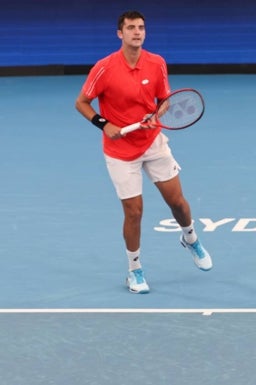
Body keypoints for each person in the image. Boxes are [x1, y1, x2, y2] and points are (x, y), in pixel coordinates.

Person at [75, 10, 212, 294]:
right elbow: (82, 102)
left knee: (178, 202)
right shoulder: (104, 67)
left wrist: (156, 114)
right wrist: (104, 124)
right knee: (134, 212)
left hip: (152, 142)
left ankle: (190, 238)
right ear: (119, 33)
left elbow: (165, 101)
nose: (137, 32)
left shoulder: (157, 63)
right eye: (130, 28)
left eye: (141, 28)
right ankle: (134, 270)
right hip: (119, 151)